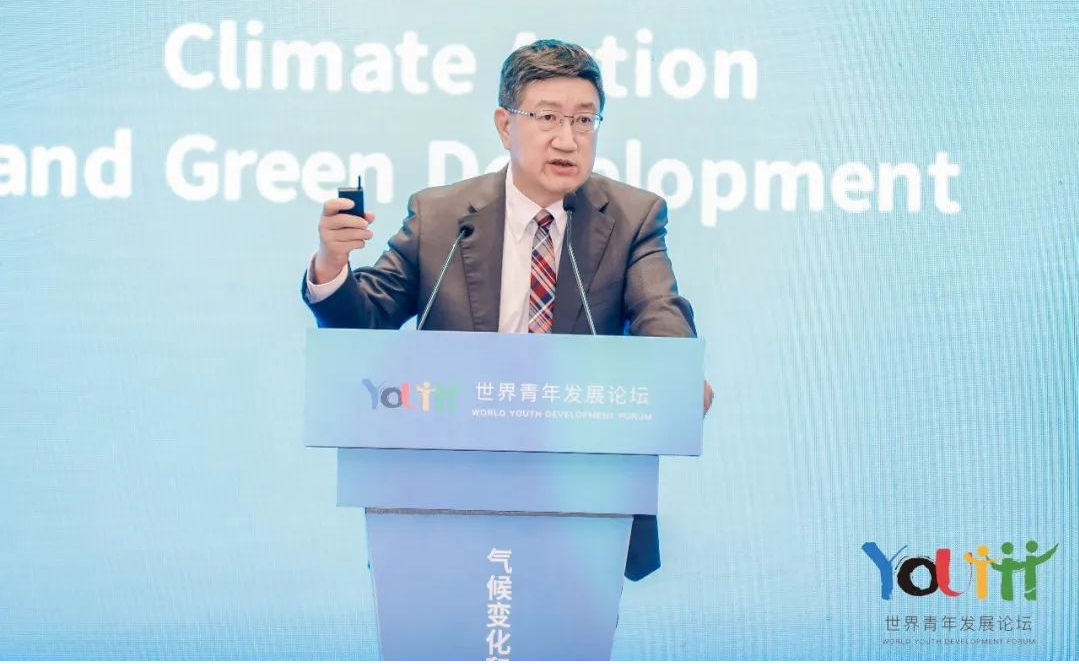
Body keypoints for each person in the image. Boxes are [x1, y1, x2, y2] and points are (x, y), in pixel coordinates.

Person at [302, 38, 712, 581]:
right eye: (548, 117)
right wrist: (332, 262)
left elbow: (660, 311)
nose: (567, 139)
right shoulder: (440, 215)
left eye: (584, 120)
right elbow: (365, 319)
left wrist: (675, 374)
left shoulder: (632, 217)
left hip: (580, 501)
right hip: (446, 495)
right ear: (504, 125)